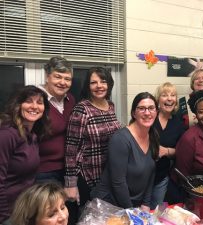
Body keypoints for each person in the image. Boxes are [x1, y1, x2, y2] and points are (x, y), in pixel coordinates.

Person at [64, 67, 121, 215]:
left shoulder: (111, 106)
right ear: (88, 86)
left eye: (103, 81)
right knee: (89, 218)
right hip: (87, 177)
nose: (99, 86)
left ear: (109, 84)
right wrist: (71, 184)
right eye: (93, 82)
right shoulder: (82, 109)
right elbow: (71, 149)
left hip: (107, 174)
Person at [91, 92, 159, 211]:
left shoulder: (153, 136)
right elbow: (118, 183)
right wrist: (131, 212)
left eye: (151, 108)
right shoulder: (120, 139)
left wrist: (146, 204)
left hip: (133, 205)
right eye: (141, 108)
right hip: (110, 205)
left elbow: (151, 172)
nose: (147, 113)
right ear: (133, 113)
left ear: (156, 112)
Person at [0, 85, 50, 223]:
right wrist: (4, 218)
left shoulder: (32, 135)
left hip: (22, 209)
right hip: (7, 213)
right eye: (28, 101)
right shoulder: (6, 135)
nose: (34, 106)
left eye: (39, 103)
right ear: (18, 105)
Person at [36, 56, 75, 184]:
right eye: (58, 77)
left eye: (67, 79)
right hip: (43, 170)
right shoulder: (36, 101)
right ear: (47, 76)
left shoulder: (70, 100)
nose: (63, 82)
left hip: (67, 168)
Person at [150, 82, 185, 210]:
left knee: (156, 210)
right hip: (140, 175)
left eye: (173, 95)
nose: (169, 98)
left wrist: (167, 151)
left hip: (161, 176)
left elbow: (182, 151)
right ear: (158, 99)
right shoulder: (149, 117)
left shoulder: (179, 124)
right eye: (165, 95)